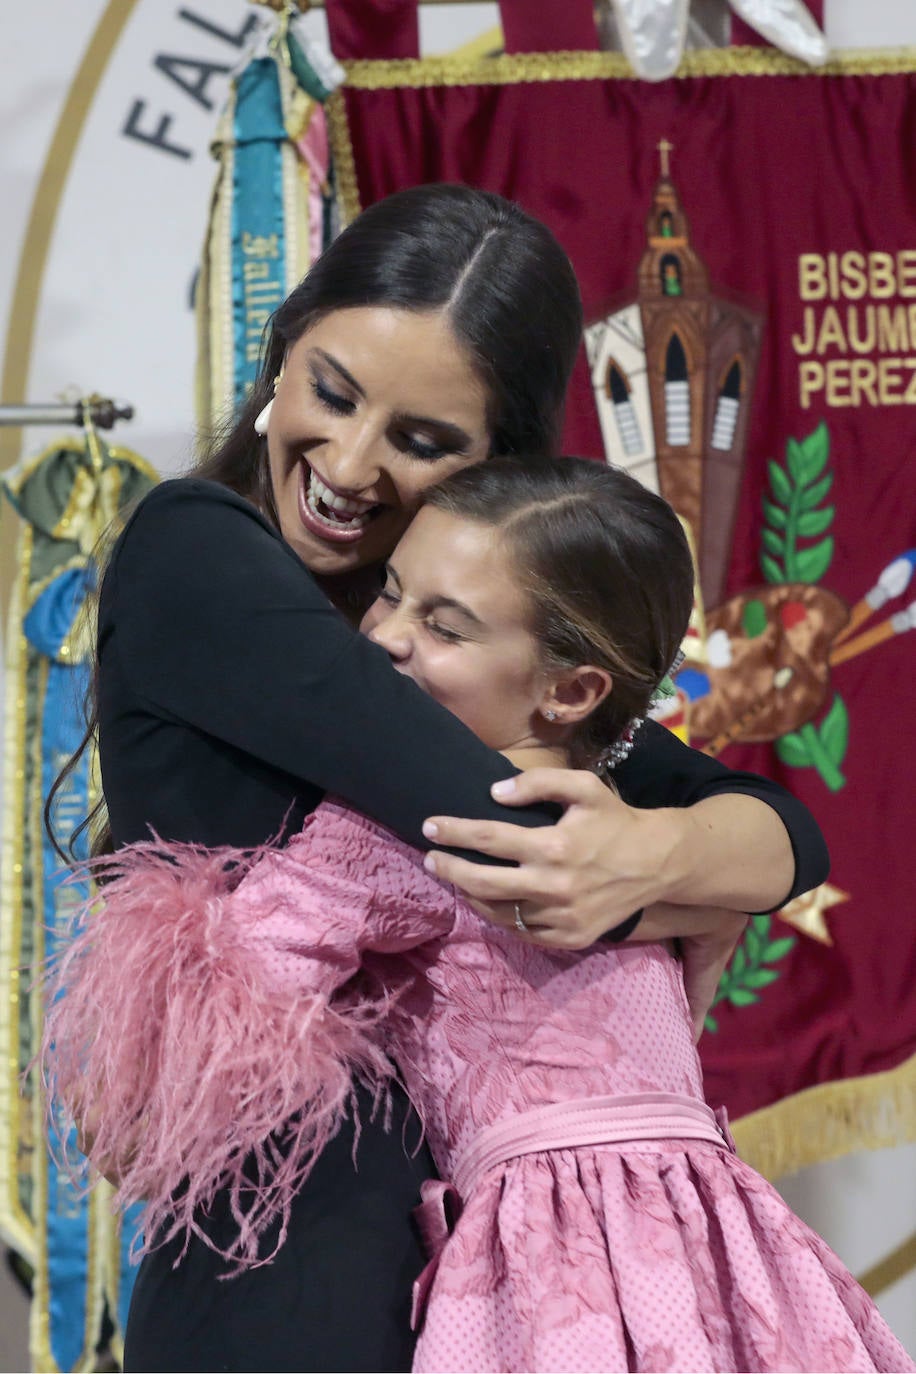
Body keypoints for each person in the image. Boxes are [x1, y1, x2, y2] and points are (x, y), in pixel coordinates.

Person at [53, 184, 828, 1372]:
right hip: (284, 1279)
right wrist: (654, 875)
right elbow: (496, 809)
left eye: (422, 442)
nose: (350, 463)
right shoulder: (197, 552)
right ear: (284, 346)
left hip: (512, 1282)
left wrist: (663, 859)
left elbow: (781, 832)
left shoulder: (450, 643)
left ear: (495, 465)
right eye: (331, 389)